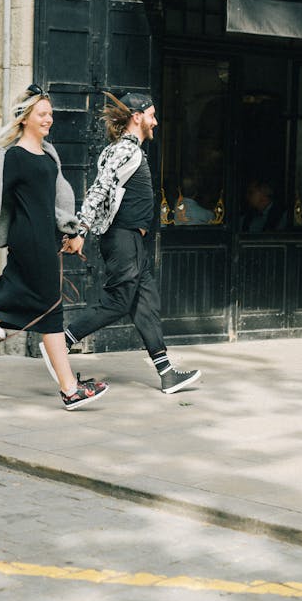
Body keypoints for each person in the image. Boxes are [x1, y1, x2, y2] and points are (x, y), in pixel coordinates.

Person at [0, 85, 109, 410]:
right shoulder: (11, 156)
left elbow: (57, 201)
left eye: (50, 114)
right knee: (50, 310)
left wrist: (72, 230)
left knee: (3, 311)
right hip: (30, 244)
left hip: (46, 241)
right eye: (42, 114)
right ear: (26, 117)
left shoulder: (49, 153)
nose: (49, 119)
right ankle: (69, 390)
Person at [62, 91, 201, 395]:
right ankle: (62, 344)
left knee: (145, 302)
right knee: (118, 302)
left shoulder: (129, 149)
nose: (156, 121)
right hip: (122, 239)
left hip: (132, 242)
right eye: (152, 115)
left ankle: (166, 373)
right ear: (137, 117)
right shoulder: (126, 150)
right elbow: (99, 189)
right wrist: (80, 229)